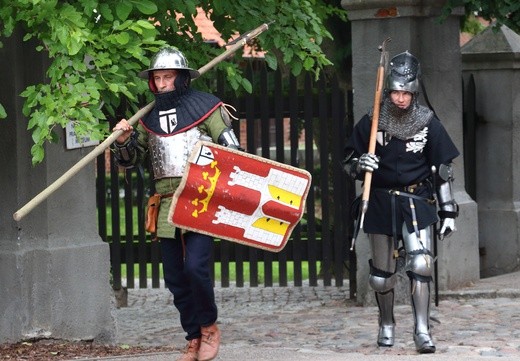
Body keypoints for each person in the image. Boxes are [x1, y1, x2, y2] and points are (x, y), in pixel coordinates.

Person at [112, 46, 241, 361]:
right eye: (157, 78)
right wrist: (122, 141)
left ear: (181, 79)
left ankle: (209, 327)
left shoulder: (207, 109)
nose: (162, 83)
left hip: (198, 199)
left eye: (167, 76)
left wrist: (217, 146)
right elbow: (131, 160)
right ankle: (193, 336)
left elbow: (233, 151)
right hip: (166, 204)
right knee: (174, 277)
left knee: (195, 268)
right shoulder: (148, 119)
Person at [343, 51, 459, 354]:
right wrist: (360, 164)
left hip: (415, 200)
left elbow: (443, 168)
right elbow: (347, 162)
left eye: (406, 92)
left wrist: (448, 210)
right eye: (395, 91)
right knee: (381, 278)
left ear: (414, 91)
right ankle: (387, 323)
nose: (400, 98)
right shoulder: (371, 121)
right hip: (380, 201)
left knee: (421, 263)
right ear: (389, 90)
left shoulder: (428, 122)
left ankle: (422, 330)